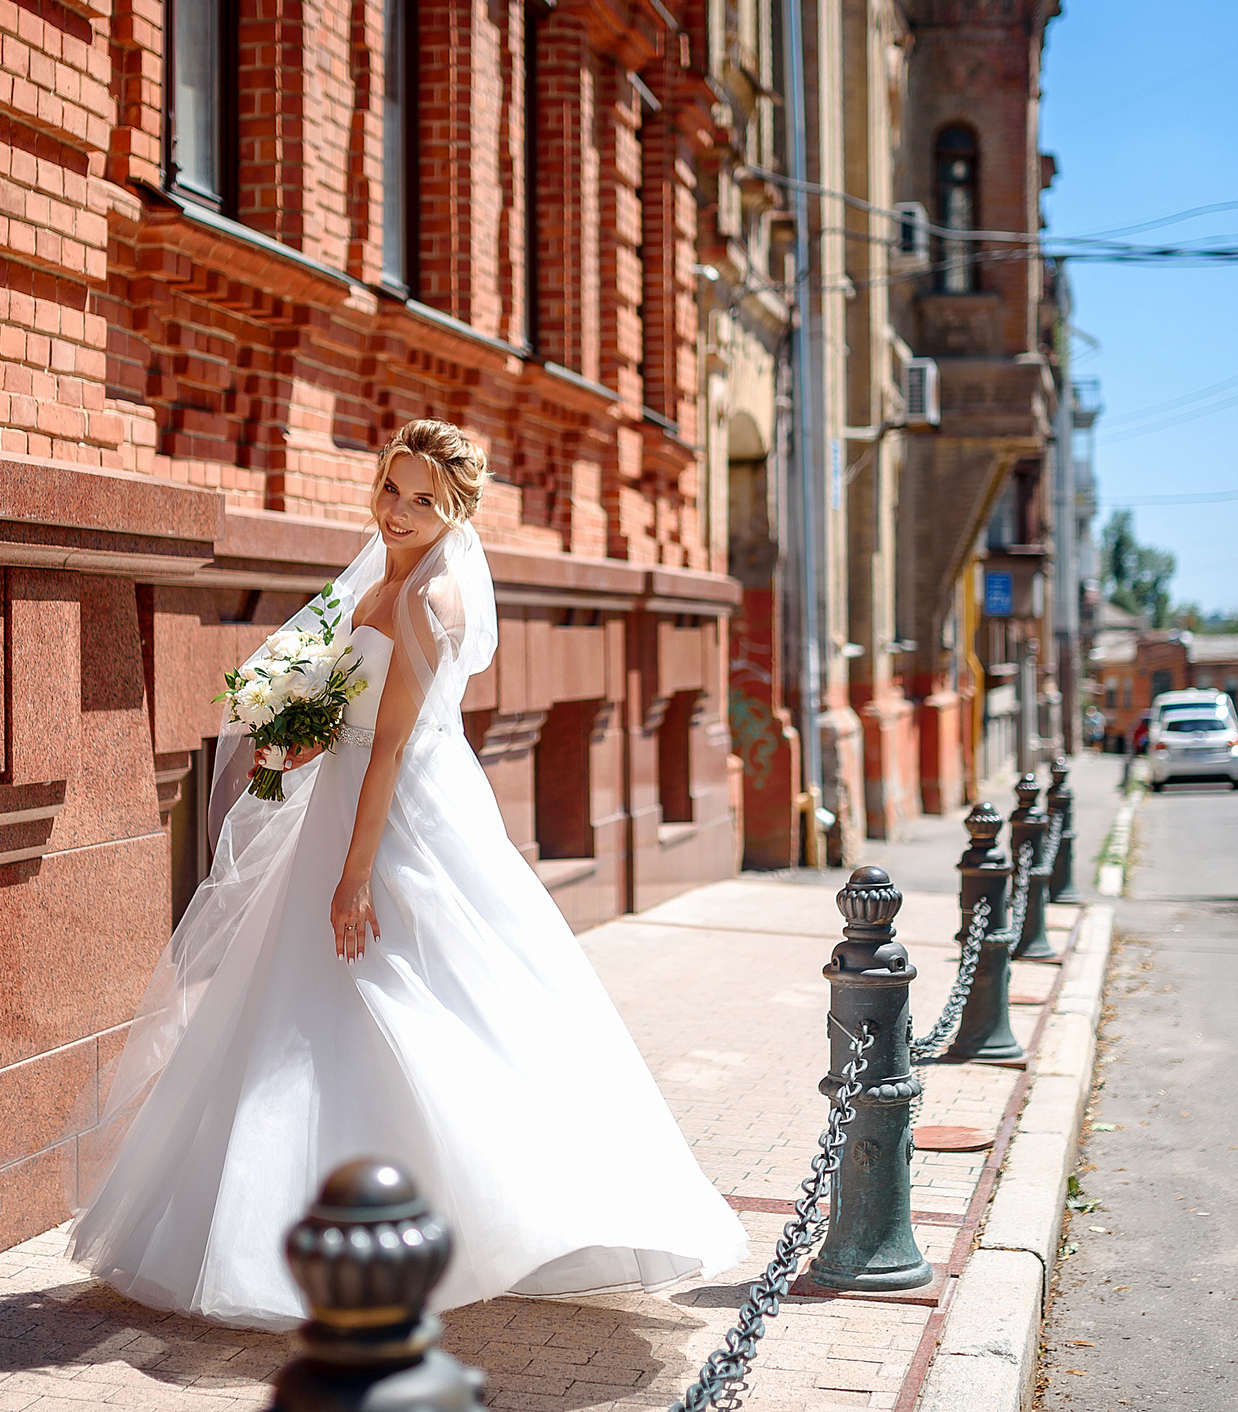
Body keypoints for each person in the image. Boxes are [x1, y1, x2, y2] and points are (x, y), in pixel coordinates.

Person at [67, 419, 746, 1328]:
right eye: (393, 487)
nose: (400, 510)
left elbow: (388, 747)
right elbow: (346, 722)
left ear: (455, 509)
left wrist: (353, 875)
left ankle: (482, 1213)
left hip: (401, 820)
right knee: (314, 1002)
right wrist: (292, 742)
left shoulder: (432, 599)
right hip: (345, 802)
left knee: (413, 988)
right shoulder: (374, 579)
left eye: (425, 498)